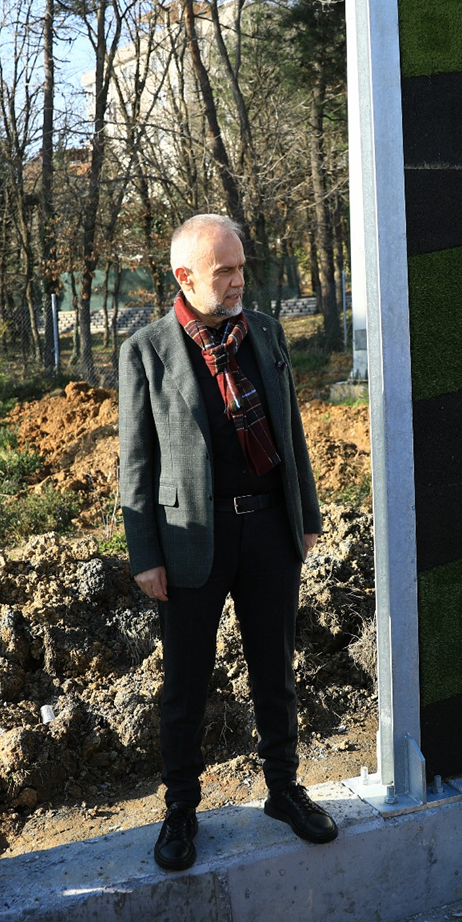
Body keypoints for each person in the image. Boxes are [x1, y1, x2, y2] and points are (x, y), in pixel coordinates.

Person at [118, 212, 337, 873]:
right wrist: (145, 554)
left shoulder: (265, 334)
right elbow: (136, 462)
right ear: (184, 278)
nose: (239, 281)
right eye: (224, 273)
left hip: (270, 525)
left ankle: (284, 789)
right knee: (185, 680)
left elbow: (290, 433)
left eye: (241, 268)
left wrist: (306, 516)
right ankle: (180, 809)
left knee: (275, 665)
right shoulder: (148, 350)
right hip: (190, 539)